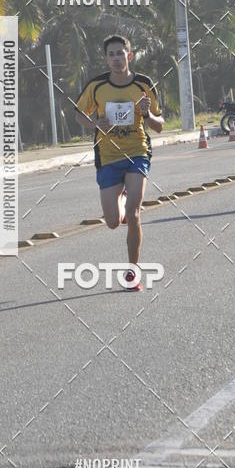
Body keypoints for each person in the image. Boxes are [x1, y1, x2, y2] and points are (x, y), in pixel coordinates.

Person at [74, 34, 164, 291]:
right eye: (111, 55)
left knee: (134, 215)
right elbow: (78, 114)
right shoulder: (97, 86)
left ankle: (133, 273)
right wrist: (95, 124)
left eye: (120, 53)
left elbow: (159, 125)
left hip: (137, 153)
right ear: (106, 59)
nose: (116, 59)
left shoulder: (144, 84)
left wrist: (147, 114)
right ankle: (122, 199)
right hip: (108, 156)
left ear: (129, 56)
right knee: (113, 222)